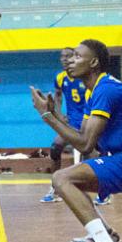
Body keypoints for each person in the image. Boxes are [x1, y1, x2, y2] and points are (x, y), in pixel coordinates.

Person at [31, 40, 122, 242]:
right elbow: (81, 137)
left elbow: (85, 144)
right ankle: (104, 234)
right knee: (69, 182)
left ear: (94, 62)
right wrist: (54, 114)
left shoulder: (106, 90)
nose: (71, 60)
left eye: (78, 57)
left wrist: (47, 117)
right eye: (70, 57)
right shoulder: (93, 92)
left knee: (62, 178)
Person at [41, 47, 89, 203]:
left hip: (88, 121)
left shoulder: (84, 77)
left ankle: (101, 192)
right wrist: (59, 114)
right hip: (71, 121)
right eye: (62, 56)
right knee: (55, 147)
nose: (65, 59)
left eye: (68, 56)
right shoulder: (60, 78)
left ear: (75, 58)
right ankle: (55, 189)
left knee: (89, 154)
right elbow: (58, 96)